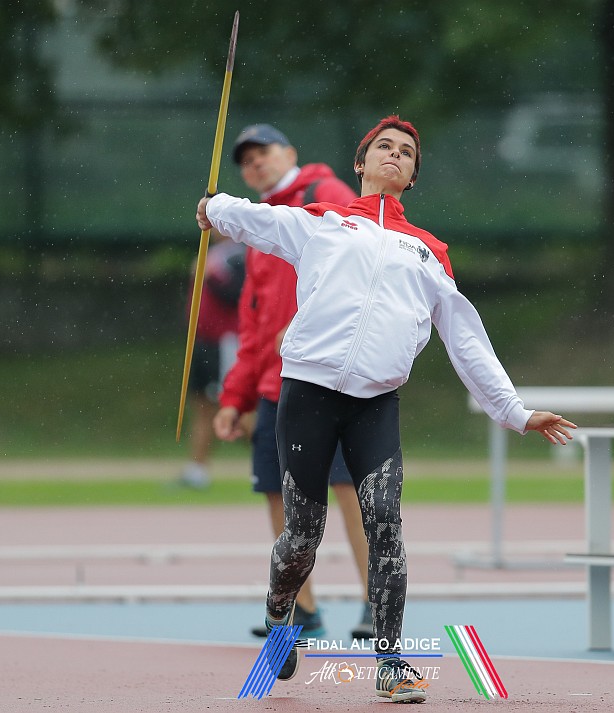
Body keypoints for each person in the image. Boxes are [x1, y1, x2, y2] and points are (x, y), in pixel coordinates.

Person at [196, 116, 577, 703]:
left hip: (374, 404)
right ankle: (279, 616)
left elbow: (467, 341)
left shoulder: (429, 253)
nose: (395, 155)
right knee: (303, 535)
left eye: (406, 153)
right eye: (384, 147)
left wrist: (516, 412)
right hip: (308, 395)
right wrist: (214, 209)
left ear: (413, 176)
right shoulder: (322, 223)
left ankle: (392, 662)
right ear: (361, 162)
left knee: (386, 527)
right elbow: (257, 220)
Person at [211, 124, 373, 640]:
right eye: (247, 160)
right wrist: (235, 397)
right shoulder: (260, 230)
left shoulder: (325, 193)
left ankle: (376, 602)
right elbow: (254, 325)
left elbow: (366, 264)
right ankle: (301, 609)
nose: (256, 163)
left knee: (349, 493)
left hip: (329, 379)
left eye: (264, 152)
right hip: (275, 388)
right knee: (280, 497)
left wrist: (309, 321)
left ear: (290, 153)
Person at [178, 231, 244, 489]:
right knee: (202, 405)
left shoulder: (239, 256)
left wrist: (212, 275)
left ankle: (273, 459)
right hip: (203, 342)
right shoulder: (215, 254)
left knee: (234, 406)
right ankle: (197, 469)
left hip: (223, 343)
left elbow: (237, 295)